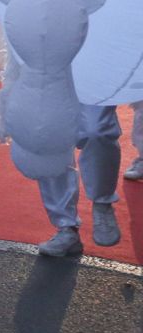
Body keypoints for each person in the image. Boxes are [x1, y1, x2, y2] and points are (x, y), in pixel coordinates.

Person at [34, 104, 123, 257]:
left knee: (97, 130)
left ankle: (103, 202)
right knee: (50, 137)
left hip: (95, 87)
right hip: (50, 87)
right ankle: (66, 227)